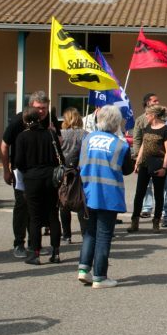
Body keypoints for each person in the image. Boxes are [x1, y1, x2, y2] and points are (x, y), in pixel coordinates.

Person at [78, 105, 134, 289]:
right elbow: (127, 170)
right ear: (116, 123)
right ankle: (100, 277)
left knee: (89, 232)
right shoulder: (120, 145)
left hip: (87, 191)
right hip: (108, 195)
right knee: (103, 235)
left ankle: (83, 270)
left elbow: (81, 162)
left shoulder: (88, 138)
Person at [1, 90, 56, 258]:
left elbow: (57, 143)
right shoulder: (20, 120)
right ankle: (19, 243)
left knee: (38, 209)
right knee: (22, 207)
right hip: (21, 171)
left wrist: (53, 131)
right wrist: (6, 170)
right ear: (31, 106)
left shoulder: (49, 120)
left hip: (44, 174)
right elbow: (4, 145)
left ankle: (35, 245)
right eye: (39, 108)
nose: (41, 112)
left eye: (44, 108)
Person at [14, 107, 62, 265]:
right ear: (40, 119)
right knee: (53, 215)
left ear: (25, 121)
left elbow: (18, 162)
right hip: (50, 177)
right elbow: (59, 158)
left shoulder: (22, 137)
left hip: (32, 179)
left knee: (34, 218)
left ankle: (35, 253)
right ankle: (56, 252)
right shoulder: (51, 134)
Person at [129, 105, 167, 233]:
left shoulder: (166, 130)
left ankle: (156, 222)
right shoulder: (147, 127)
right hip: (145, 163)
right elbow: (143, 144)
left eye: (147, 114)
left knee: (159, 194)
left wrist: (164, 168)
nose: (146, 116)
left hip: (158, 163)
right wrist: (137, 161)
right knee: (139, 193)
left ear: (153, 115)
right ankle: (135, 222)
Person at [59, 107, 88, 243]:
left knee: (64, 202)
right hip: (79, 171)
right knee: (80, 202)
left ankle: (66, 235)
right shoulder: (85, 134)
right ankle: (84, 233)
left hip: (63, 172)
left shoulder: (61, 134)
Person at [132, 93, 160, 219]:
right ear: (148, 103)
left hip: (159, 157)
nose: (157, 102)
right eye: (155, 100)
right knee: (145, 185)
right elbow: (137, 139)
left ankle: (162, 211)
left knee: (161, 187)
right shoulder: (140, 120)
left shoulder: (163, 118)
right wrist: (138, 156)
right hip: (144, 157)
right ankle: (147, 208)